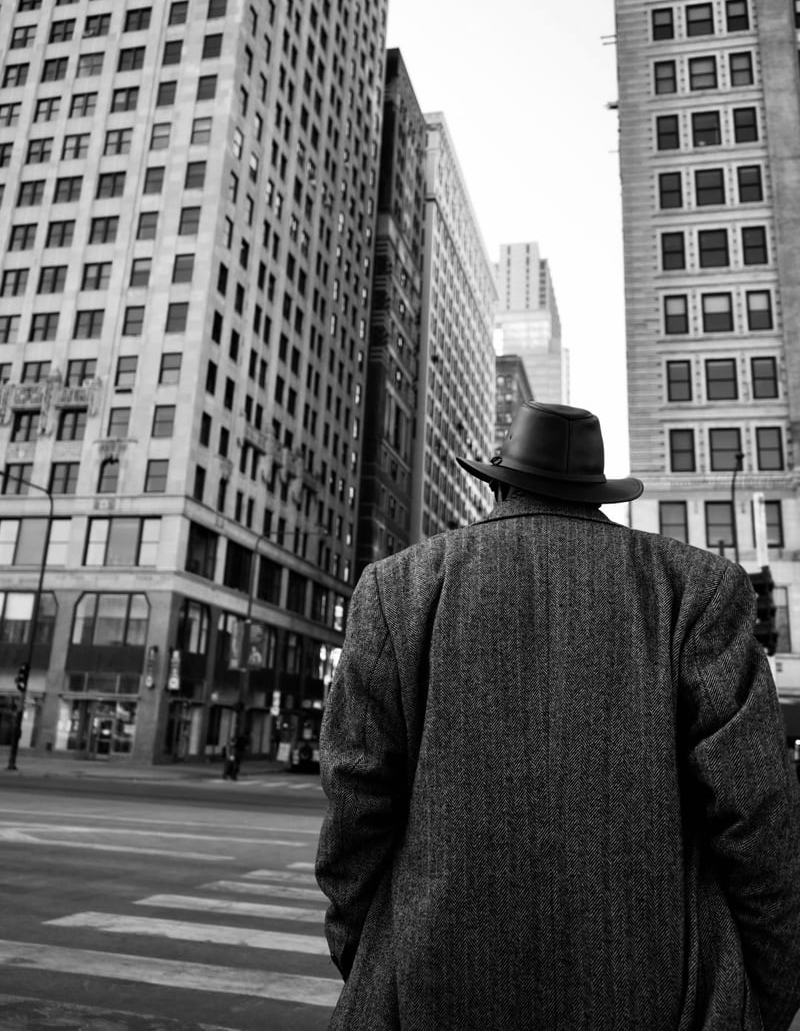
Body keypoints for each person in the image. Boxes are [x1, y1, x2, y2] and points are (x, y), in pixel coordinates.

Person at [316, 401, 800, 1030]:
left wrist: (363, 943)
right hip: (661, 987)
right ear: (597, 491)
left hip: (431, 975)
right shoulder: (696, 586)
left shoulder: (399, 586)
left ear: (497, 482)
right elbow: (758, 811)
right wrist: (769, 987)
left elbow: (357, 796)